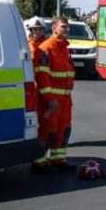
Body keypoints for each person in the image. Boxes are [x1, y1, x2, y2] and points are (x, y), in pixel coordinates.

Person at [31, 17, 76, 174]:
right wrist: (50, 99)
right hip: (51, 101)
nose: (67, 30)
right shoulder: (45, 48)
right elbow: (42, 77)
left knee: (63, 129)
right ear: (54, 29)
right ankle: (39, 162)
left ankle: (58, 159)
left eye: (68, 27)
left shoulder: (64, 48)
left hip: (64, 100)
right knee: (47, 129)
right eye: (63, 27)